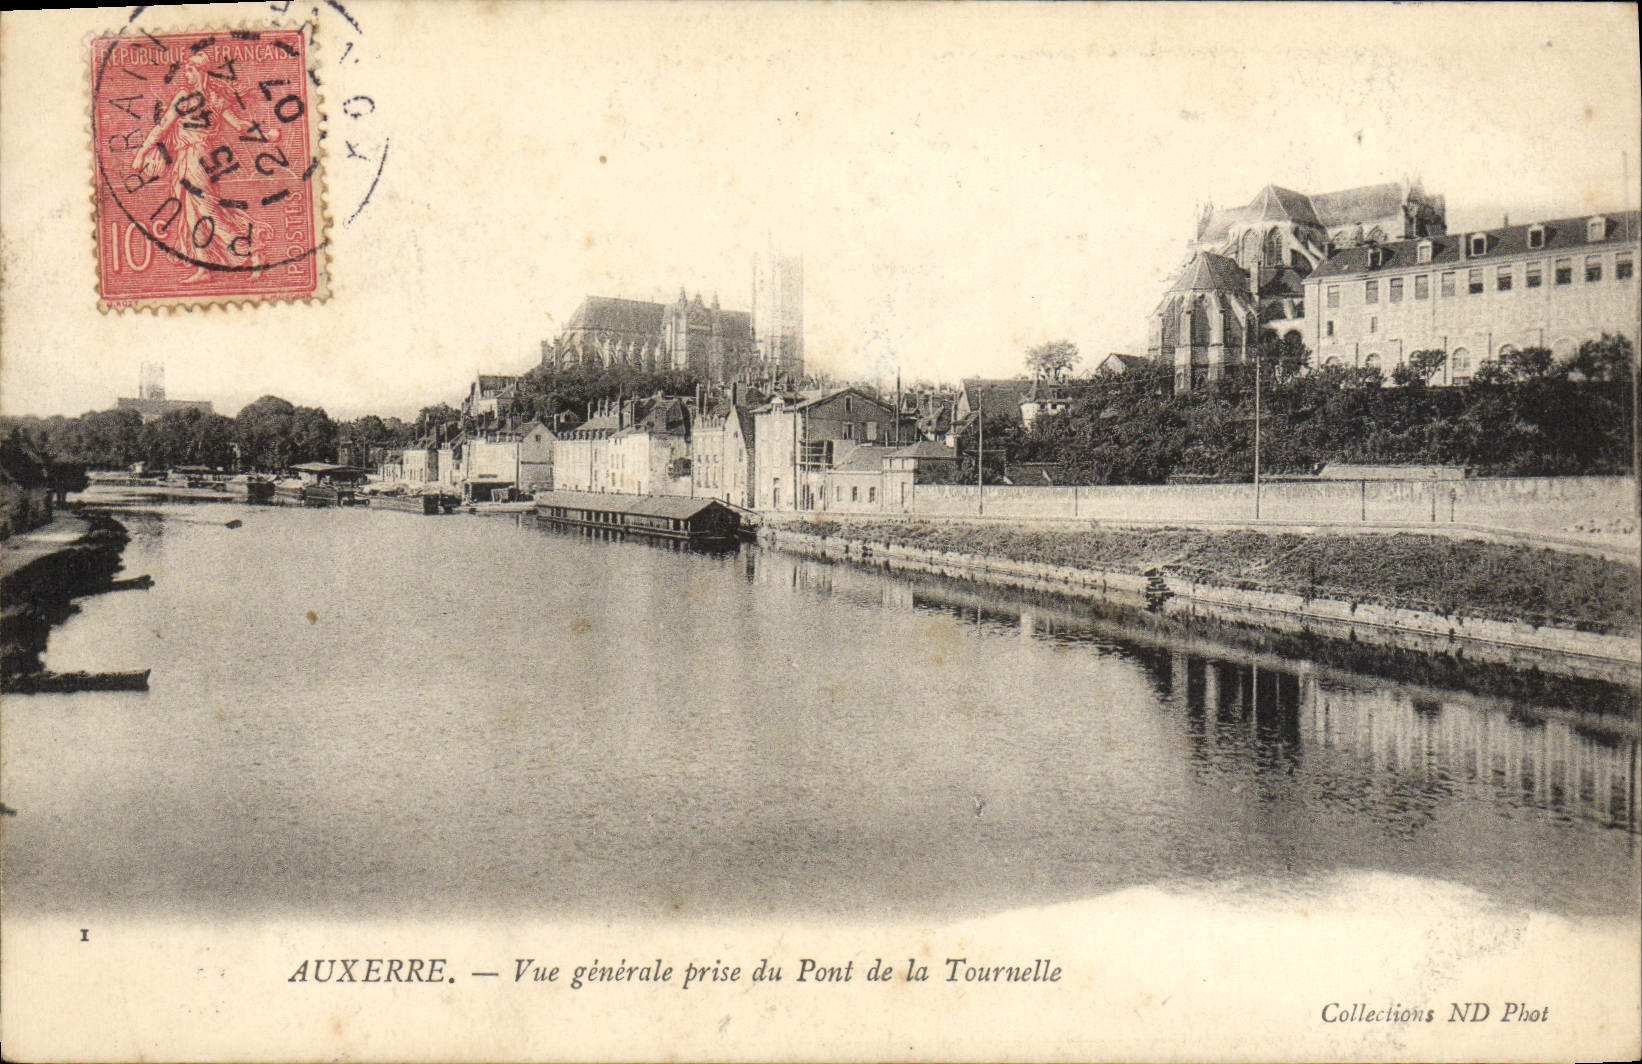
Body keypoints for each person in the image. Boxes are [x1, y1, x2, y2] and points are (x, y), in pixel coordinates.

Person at [133, 50, 279, 282]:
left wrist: (265, 136)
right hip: (184, 159)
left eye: (190, 70)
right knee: (191, 214)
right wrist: (143, 152)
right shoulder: (184, 97)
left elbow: (240, 125)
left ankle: (252, 252)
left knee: (207, 211)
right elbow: (163, 127)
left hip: (199, 158)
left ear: (202, 71)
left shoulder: (215, 99)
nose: (186, 75)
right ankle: (204, 268)